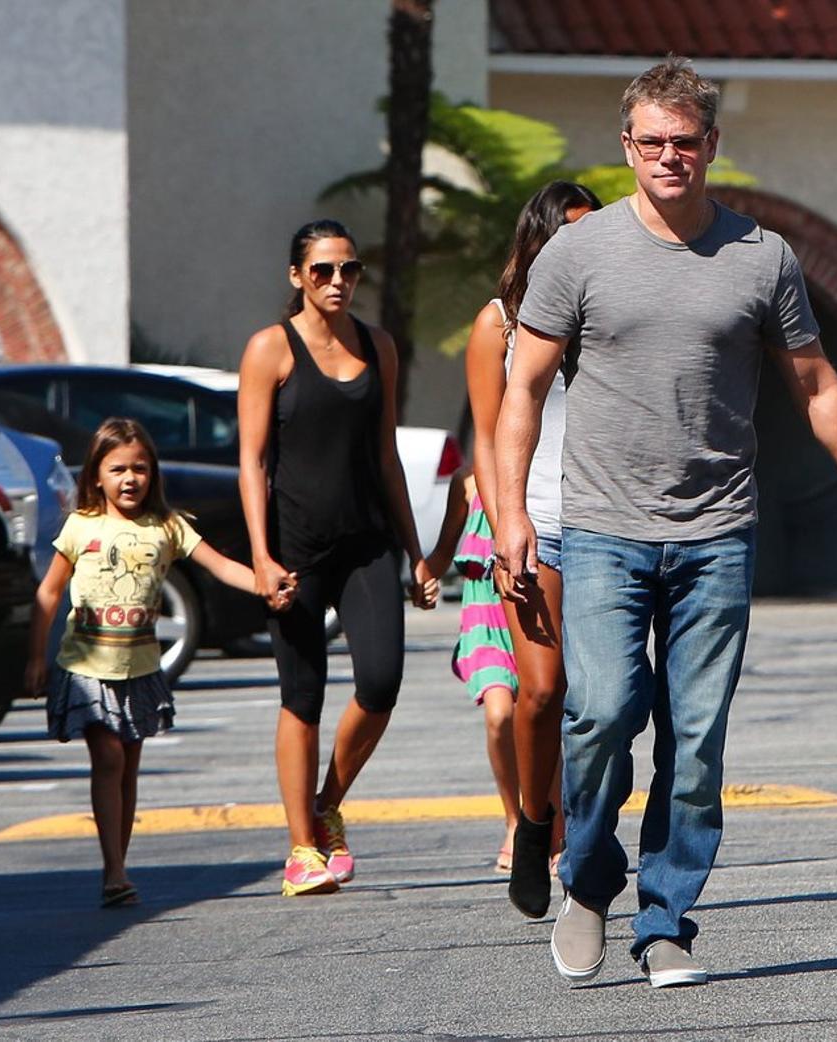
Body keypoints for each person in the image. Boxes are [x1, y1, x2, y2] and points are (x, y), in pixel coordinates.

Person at [494, 57, 837, 988]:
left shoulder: (761, 257)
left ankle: (667, 919)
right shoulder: (578, 253)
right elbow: (520, 386)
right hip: (602, 529)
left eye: (686, 141)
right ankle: (590, 878)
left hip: (717, 533)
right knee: (598, 713)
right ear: (627, 146)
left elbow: (818, 386)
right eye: (652, 142)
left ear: (712, 144)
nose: (670, 156)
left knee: (695, 740)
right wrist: (511, 512)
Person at [238, 219, 437, 897]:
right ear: (296, 276)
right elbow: (252, 461)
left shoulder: (377, 346)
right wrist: (262, 557)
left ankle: (328, 804)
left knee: (380, 682)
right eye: (322, 270)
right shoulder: (271, 348)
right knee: (303, 694)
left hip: (366, 543)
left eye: (348, 270)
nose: (336, 282)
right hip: (296, 548)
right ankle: (301, 850)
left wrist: (417, 553)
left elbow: (386, 456)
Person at [23, 418, 284, 907]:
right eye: (118, 468)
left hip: (141, 670)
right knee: (109, 758)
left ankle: (117, 868)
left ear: (153, 474)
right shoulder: (81, 526)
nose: (129, 479)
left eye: (140, 469)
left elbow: (219, 565)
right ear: (96, 475)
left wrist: (264, 581)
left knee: (127, 769)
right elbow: (49, 591)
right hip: (86, 666)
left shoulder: (166, 526)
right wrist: (37, 656)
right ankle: (114, 870)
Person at [464, 181, 601, 916]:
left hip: (612, 525)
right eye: (568, 234)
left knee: (603, 698)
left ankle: (581, 833)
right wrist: (502, 522)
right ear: (539, 240)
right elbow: (487, 436)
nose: (582, 248)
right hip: (535, 525)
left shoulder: (610, 312)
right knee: (542, 691)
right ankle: (531, 821)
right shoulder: (500, 325)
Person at [425, 466, 522, 872]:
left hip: (534, 613)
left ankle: (554, 826)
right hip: (485, 619)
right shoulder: (466, 483)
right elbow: (446, 546)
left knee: (545, 720)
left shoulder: (541, 470)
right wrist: (425, 573)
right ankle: (515, 821)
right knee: (500, 716)